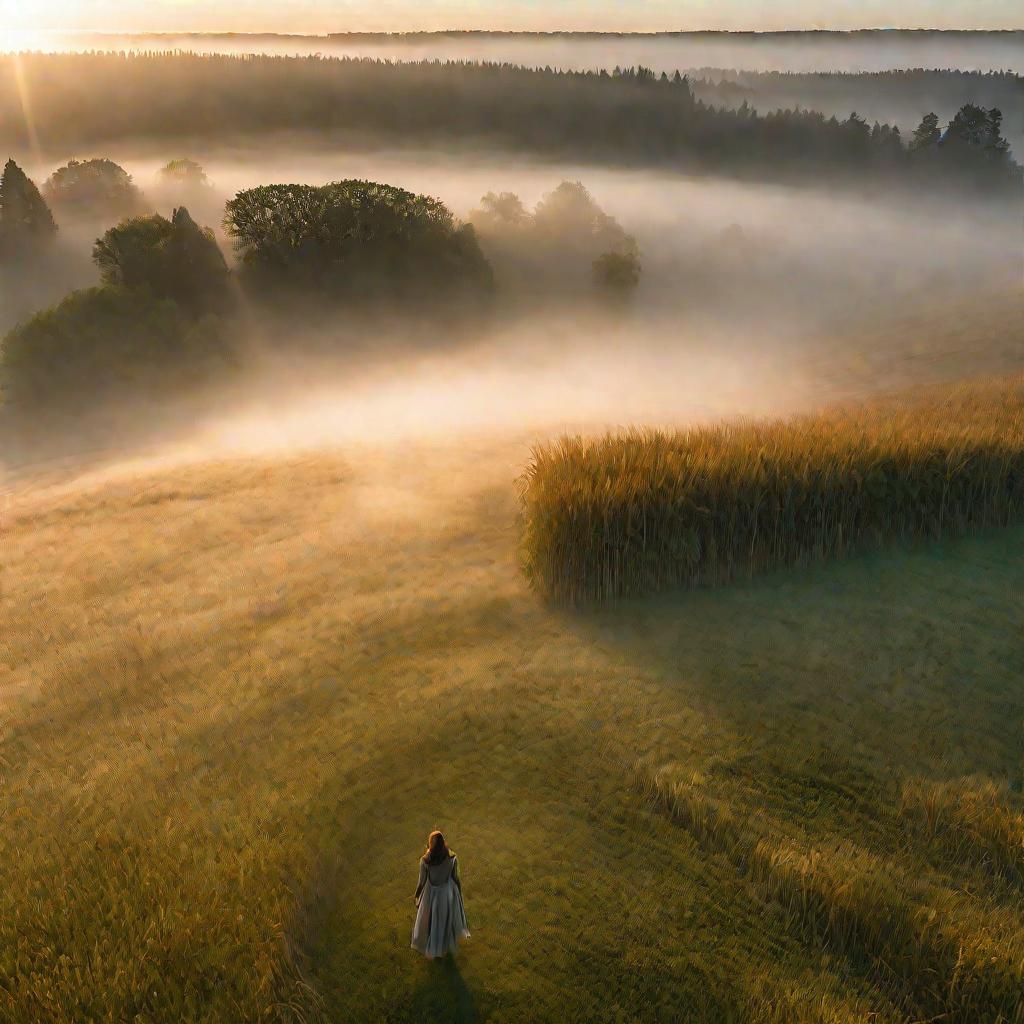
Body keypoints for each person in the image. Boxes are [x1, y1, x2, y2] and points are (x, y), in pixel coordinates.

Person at [411, 830, 470, 959]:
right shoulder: (452, 857)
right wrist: (458, 893)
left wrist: (416, 896)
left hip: (432, 894)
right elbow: (456, 878)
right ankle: (444, 946)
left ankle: (435, 949)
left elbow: (422, 882)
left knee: (433, 922)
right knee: (445, 919)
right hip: (448, 892)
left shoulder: (425, 861)